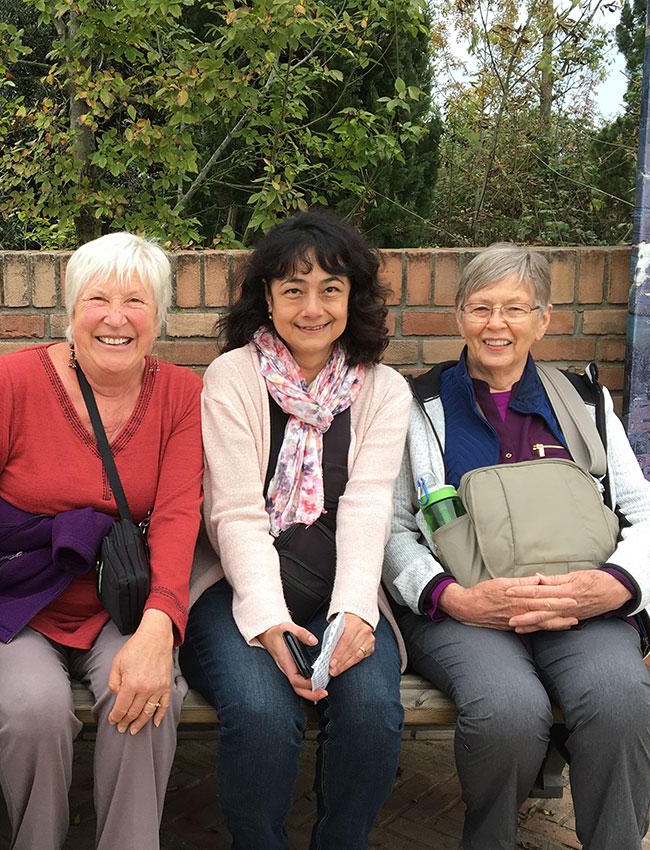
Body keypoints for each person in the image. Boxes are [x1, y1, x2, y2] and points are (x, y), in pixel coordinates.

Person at [0, 232, 203, 850]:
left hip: (117, 599)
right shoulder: (18, 379)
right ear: (71, 309)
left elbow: (176, 517)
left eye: (136, 301)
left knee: (146, 695)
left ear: (160, 316)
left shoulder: (181, 395)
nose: (116, 318)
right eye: (98, 299)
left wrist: (159, 627)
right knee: (34, 709)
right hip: (18, 597)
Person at [384, 242, 650, 850]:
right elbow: (393, 530)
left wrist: (613, 585)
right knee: (508, 710)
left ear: (543, 320)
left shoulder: (585, 403)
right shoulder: (417, 408)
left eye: (515, 309)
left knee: (623, 700)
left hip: (580, 607)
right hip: (466, 613)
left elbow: (649, 514)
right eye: (481, 308)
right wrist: (453, 598)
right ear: (459, 316)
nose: (497, 324)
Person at [180, 210, 410, 850]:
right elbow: (234, 512)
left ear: (352, 297)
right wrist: (268, 620)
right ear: (267, 297)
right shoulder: (232, 378)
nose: (312, 308)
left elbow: (368, 505)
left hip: (342, 589)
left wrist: (354, 612)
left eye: (330, 289)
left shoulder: (384, 390)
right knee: (261, 715)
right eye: (293, 290)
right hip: (235, 590)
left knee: (372, 714)